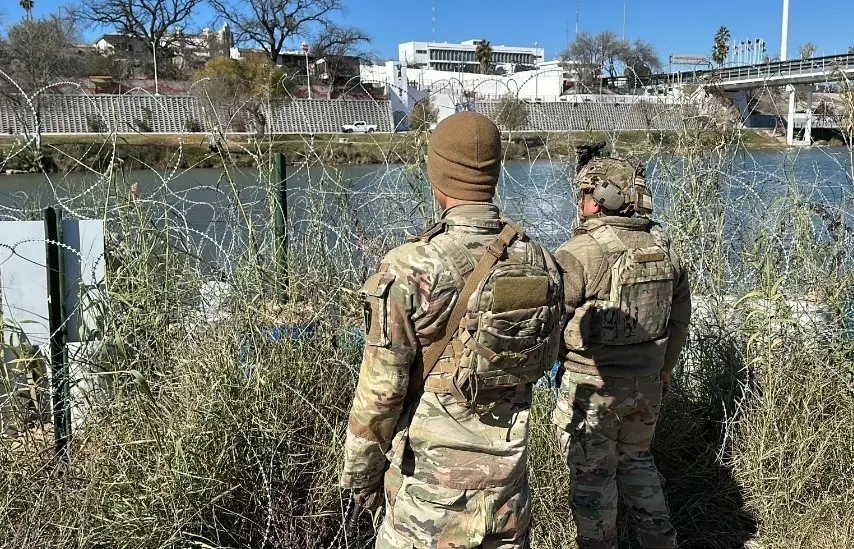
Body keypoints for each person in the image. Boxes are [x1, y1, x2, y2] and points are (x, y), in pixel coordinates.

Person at [341, 111, 563, 548]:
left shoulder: (411, 268)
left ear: (436, 173)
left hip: (430, 505)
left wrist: (360, 478)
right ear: (494, 174)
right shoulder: (541, 262)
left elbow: (379, 395)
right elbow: (544, 360)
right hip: (508, 497)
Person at [552, 156, 691, 549]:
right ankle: (661, 541)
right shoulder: (665, 248)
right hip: (647, 383)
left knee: (593, 479)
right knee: (638, 460)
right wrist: (665, 368)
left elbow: (551, 320)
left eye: (583, 194)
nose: (580, 202)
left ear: (597, 199)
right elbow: (679, 319)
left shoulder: (580, 252)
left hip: (592, 386)